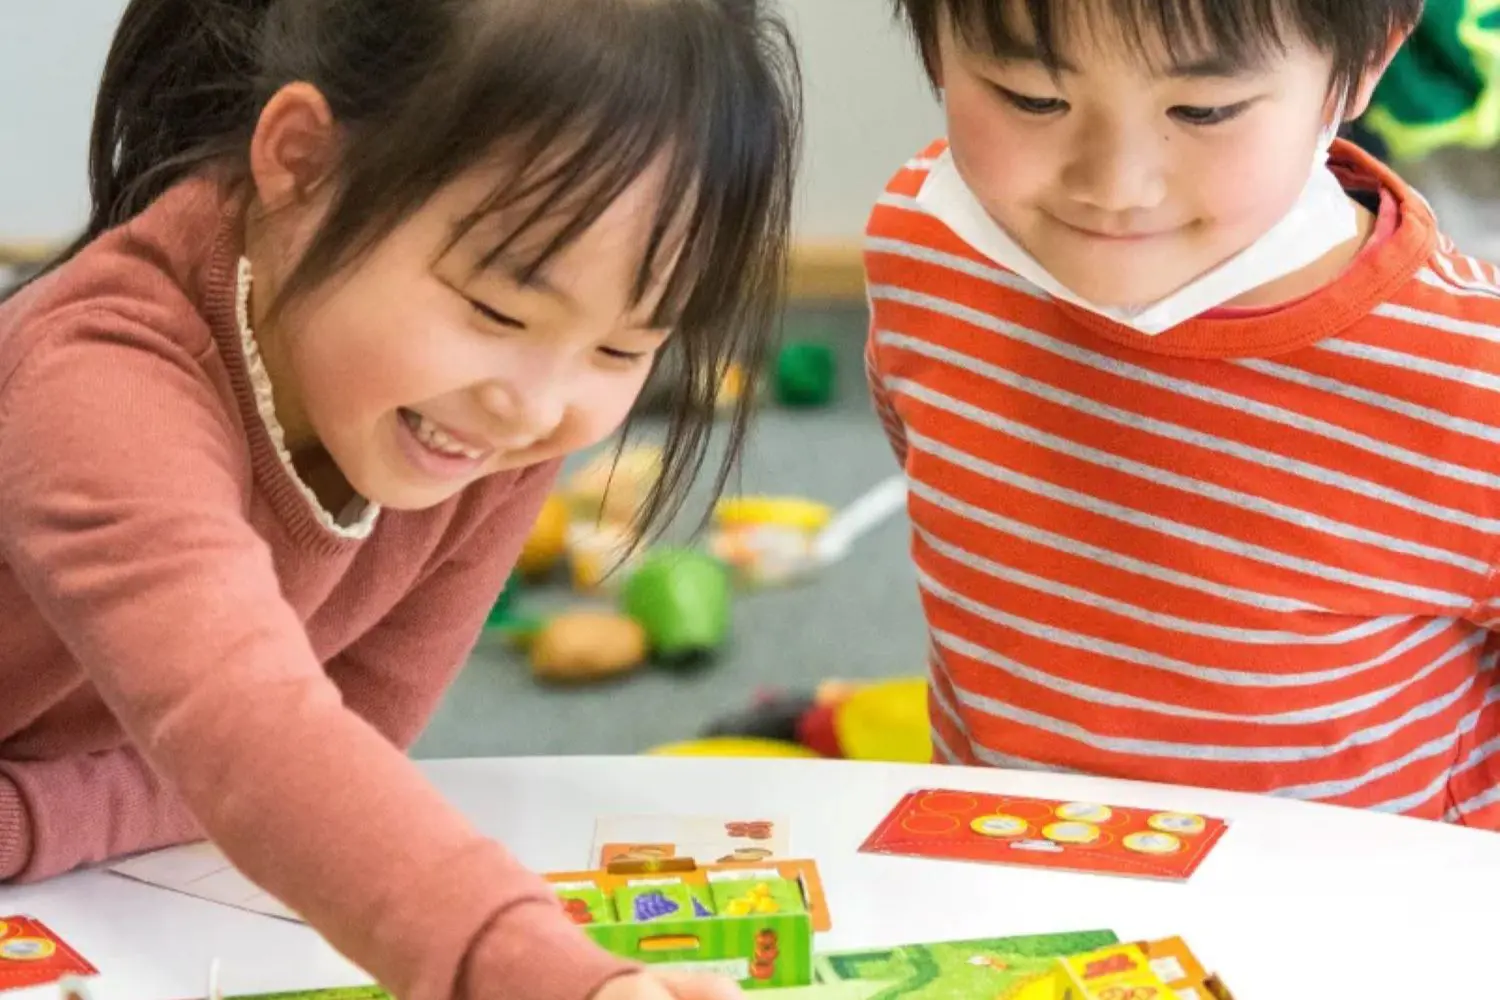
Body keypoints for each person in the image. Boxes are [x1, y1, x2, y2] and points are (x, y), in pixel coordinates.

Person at [0, 1, 800, 998]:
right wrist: (549, 975)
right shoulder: (99, 383)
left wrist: (34, 817)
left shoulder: (488, 421)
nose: (537, 406)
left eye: (620, 347)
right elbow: (249, 733)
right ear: (302, 161)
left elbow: (348, 727)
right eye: (496, 309)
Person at [866, 0, 1500, 828]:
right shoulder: (921, 248)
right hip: (1007, 867)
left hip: (1358, 896)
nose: (1115, 187)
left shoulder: (1465, 373)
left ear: (1367, 64)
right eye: (1032, 97)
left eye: (1203, 110)